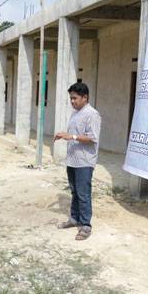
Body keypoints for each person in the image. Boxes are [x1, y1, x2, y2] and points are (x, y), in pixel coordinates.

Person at [55, 82, 101, 240]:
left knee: (83, 193)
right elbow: (74, 133)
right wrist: (64, 134)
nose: (72, 101)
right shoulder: (75, 113)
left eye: (75, 98)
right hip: (73, 160)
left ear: (85, 97)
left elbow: (93, 138)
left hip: (84, 161)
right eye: (70, 98)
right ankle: (74, 219)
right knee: (74, 191)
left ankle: (86, 225)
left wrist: (72, 136)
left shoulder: (92, 114)